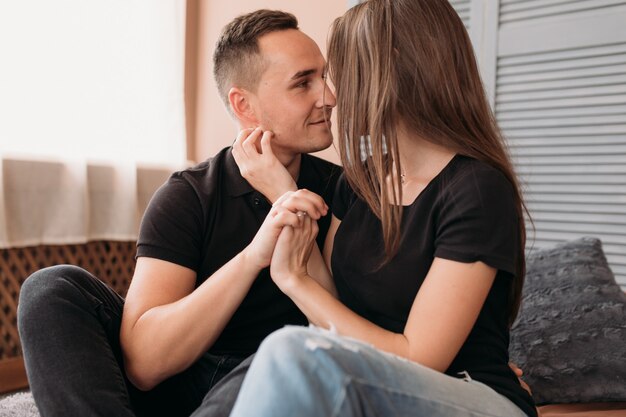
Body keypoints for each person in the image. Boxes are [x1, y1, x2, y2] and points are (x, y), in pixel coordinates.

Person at [17, 9, 340, 417]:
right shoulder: (189, 195)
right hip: (181, 375)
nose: (328, 96)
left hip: (268, 376)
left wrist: (285, 195)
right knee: (50, 287)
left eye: (323, 77)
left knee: (286, 352)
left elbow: (340, 335)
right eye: (303, 83)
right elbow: (146, 365)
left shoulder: (344, 192)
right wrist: (251, 257)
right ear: (245, 105)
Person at [226, 0, 538, 416]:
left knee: (289, 352)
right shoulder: (359, 181)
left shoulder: (477, 190)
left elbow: (419, 357)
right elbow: (334, 309)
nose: (332, 97)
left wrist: (293, 280)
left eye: (342, 74)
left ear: (391, 71)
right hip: (379, 386)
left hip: (472, 395)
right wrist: (286, 197)